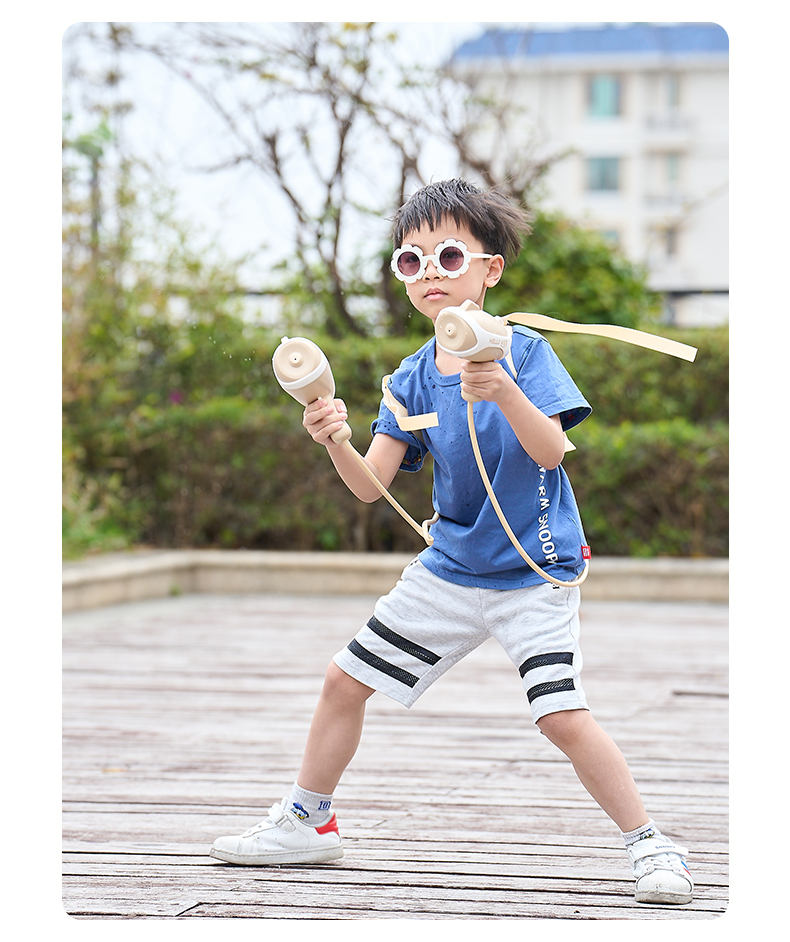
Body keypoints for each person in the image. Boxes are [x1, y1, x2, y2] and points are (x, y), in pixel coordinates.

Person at [210, 179, 693, 906]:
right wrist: (332, 434)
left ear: (489, 269)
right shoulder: (409, 378)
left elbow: (552, 451)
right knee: (344, 681)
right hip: (450, 571)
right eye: (412, 260)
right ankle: (308, 820)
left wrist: (502, 389)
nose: (430, 271)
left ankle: (652, 844)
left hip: (535, 574)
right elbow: (371, 486)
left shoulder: (523, 352)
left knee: (559, 713)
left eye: (449, 255)